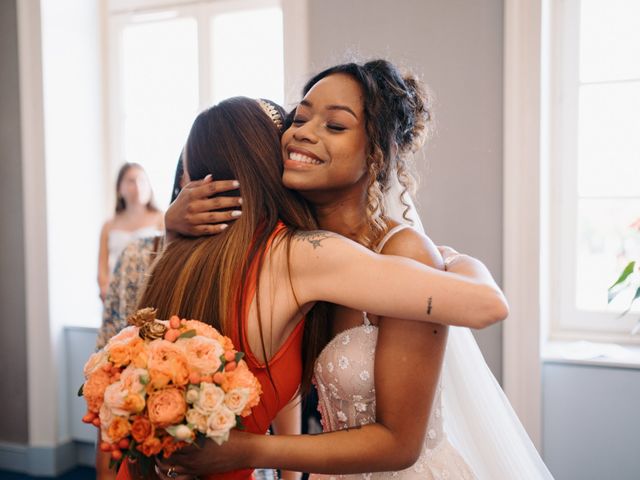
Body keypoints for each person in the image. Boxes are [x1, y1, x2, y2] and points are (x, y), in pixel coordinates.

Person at [162, 61, 552, 479]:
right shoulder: (293, 247)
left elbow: (403, 442)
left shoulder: (399, 254)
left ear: (375, 154)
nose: (304, 132)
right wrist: (171, 225)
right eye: (301, 117)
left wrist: (456, 261)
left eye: (335, 126)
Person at [97, 162, 164, 302]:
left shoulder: (161, 219)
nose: (138, 186)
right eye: (131, 181)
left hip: (150, 293)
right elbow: (102, 266)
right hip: (117, 295)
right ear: (120, 188)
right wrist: (105, 289)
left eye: (142, 180)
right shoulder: (109, 225)